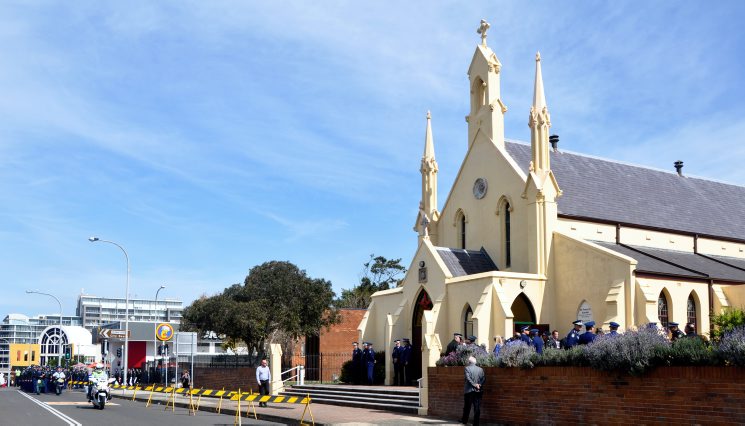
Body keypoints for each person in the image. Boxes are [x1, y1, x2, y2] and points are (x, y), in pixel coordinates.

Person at [461, 356, 485, 426]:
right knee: (477, 408)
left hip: (469, 391)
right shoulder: (480, 369)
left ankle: (464, 421)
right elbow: (483, 378)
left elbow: (468, 379)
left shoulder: (467, 368)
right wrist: (479, 384)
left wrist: (475, 385)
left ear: (469, 362)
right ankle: (476, 423)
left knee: (467, 407)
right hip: (478, 391)